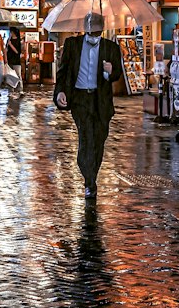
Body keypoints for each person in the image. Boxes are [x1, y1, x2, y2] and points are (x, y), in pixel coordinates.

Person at [53, 12, 125, 199]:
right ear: (85, 29)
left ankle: (91, 175)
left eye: (97, 32)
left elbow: (117, 74)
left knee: (99, 140)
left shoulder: (111, 48)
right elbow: (64, 72)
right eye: (91, 32)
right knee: (86, 138)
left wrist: (110, 71)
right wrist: (60, 91)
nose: (94, 35)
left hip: (101, 100)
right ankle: (90, 182)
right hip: (81, 99)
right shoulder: (72, 45)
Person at [5, 26, 23, 95]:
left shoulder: (18, 40)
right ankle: (11, 90)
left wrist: (11, 45)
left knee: (18, 75)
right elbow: (6, 49)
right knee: (10, 75)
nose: (10, 33)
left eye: (11, 32)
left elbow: (17, 52)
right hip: (10, 59)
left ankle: (20, 89)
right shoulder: (8, 40)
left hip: (16, 60)